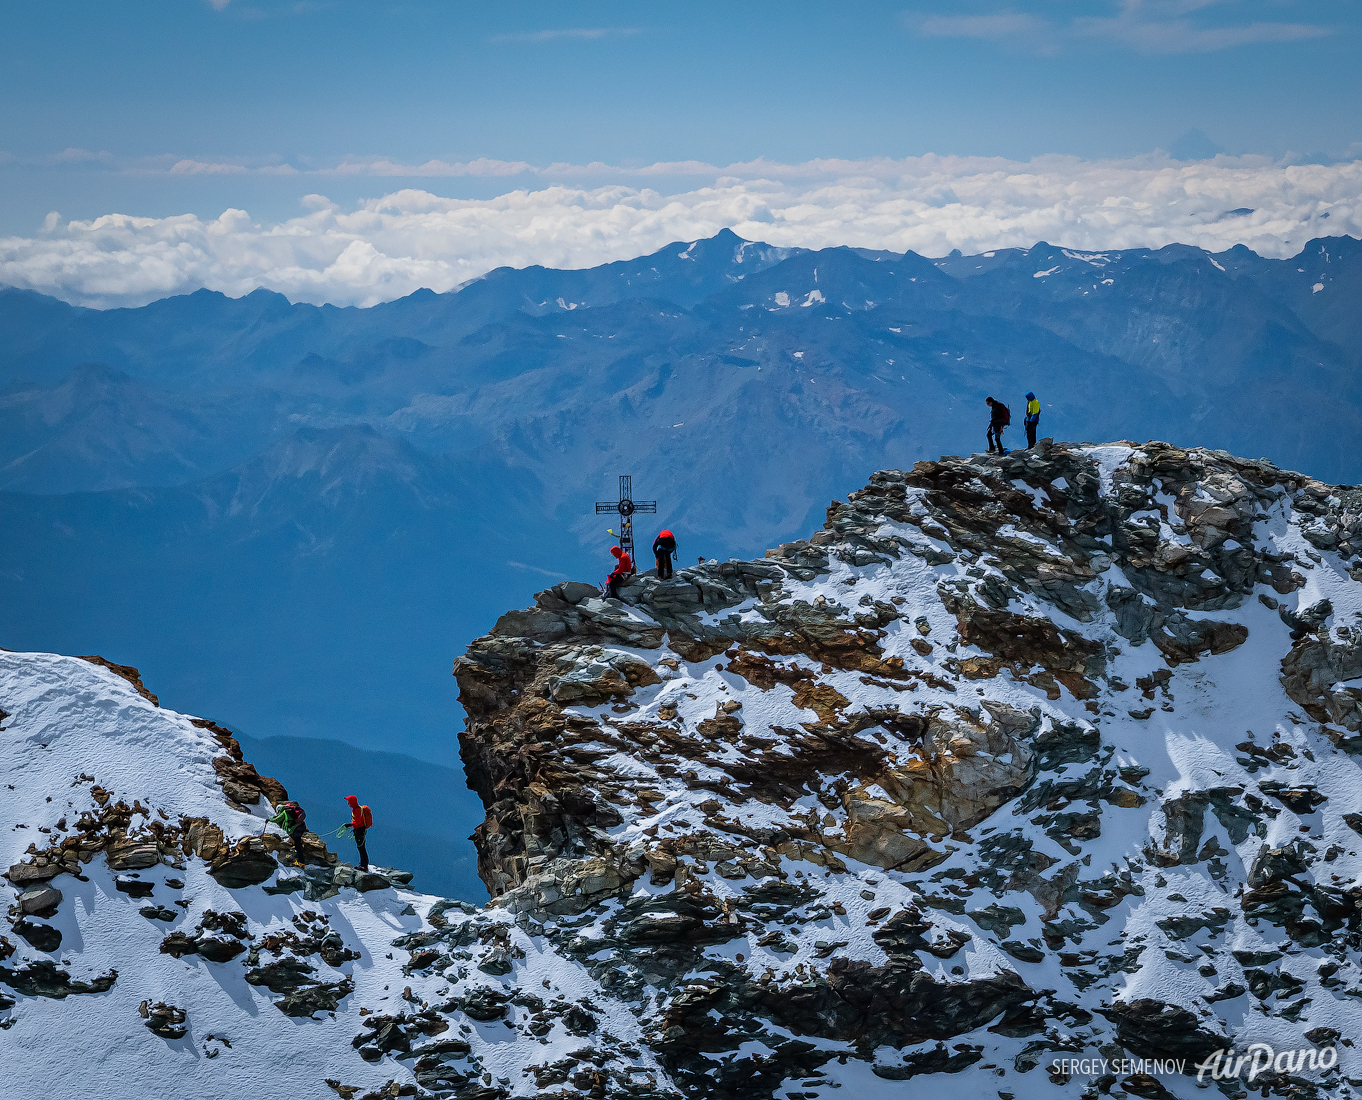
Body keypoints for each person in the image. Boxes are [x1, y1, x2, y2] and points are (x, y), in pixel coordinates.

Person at [267, 799, 307, 865]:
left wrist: (269, 820)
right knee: (297, 842)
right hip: (302, 827)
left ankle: (301, 862)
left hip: (296, 829)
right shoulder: (294, 810)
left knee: (297, 845)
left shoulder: (285, 811)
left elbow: (277, 819)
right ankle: (299, 857)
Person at [341, 794, 372, 871]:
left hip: (359, 830)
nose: (348, 803)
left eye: (349, 802)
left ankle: (364, 866)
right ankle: (362, 865)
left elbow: (357, 822)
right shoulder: (356, 809)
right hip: (359, 830)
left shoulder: (357, 810)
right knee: (361, 847)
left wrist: (349, 825)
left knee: (361, 848)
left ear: (352, 802)